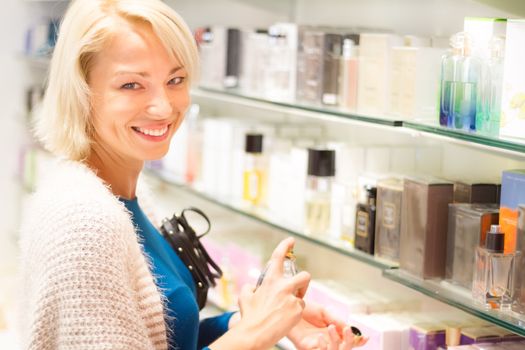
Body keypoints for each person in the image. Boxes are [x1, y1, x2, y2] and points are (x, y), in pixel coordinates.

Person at [17, 0, 368, 349]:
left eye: (175, 79)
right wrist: (255, 334)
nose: (164, 106)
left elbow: (168, 339)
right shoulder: (84, 224)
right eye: (131, 85)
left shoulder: (122, 197)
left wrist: (256, 319)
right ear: (81, 92)